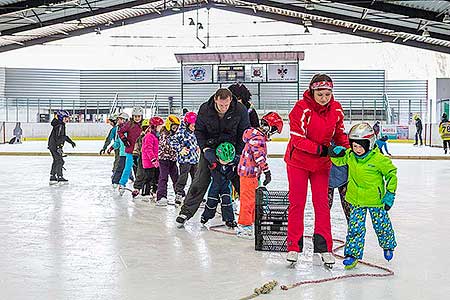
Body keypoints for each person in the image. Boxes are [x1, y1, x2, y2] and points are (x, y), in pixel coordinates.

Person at [284, 73, 349, 267]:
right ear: (312, 91)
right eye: (320, 94)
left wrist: (346, 150)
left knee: (321, 204)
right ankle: (293, 246)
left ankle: (324, 247)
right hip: (298, 162)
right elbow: (298, 139)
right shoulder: (301, 108)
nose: (324, 98)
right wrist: (323, 150)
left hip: (321, 165)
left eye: (327, 94)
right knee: (297, 203)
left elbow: (339, 134)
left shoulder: (336, 109)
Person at [176, 88, 250, 227]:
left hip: (231, 150)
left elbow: (244, 132)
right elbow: (199, 131)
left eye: (226, 105)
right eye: (221, 105)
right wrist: (205, 149)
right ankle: (186, 212)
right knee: (200, 179)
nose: (224, 108)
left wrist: (238, 154)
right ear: (215, 100)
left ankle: (254, 214)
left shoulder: (240, 109)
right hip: (210, 148)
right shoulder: (205, 109)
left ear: (230, 100)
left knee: (241, 180)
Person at [330, 122, 398, 269]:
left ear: (370, 143)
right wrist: (334, 152)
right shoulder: (350, 156)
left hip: (376, 200)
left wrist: (390, 194)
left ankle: (388, 245)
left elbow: (392, 174)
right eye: (354, 146)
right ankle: (352, 255)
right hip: (356, 200)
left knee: (382, 225)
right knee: (355, 228)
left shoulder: (379, 159)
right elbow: (340, 160)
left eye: (361, 146)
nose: (357, 149)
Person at [236, 111, 283, 239]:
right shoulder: (258, 138)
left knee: (251, 199)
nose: (272, 134)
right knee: (248, 200)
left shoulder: (253, 135)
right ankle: (244, 227)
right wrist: (267, 171)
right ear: (268, 127)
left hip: (250, 173)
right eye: (273, 131)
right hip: (249, 174)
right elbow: (259, 157)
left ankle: (249, 223)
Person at [200, 142, 238, 228]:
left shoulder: (234, 161)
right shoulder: (213, 159)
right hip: (215, 185)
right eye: (224, 161)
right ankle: (206, 216)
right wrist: (205, 149)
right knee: (211, 201)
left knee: (227, 201)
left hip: (226, 185)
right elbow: (207, 152)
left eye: (228, 161)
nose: (226, 163)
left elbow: (240, 159)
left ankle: (229, 219)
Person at [169, 111, 200, 206]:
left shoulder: (195, 133)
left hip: (194, 159)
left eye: (195, 125)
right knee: (183, 177)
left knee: (196, 178)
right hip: (185, 160)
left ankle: (195, 196)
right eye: (192, 125)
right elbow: (172, 141)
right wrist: (180, 149)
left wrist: (198, 146)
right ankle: (179, 193)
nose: (194, 127)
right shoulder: (181, 132)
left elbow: (197, 141)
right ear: (187, 124)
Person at [118, 107, 143, 195]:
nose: (137, 118)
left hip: (140, 151)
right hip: (130, 150)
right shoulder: (129, 124)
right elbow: (120, 132)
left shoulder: (143, 125)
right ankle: (122, 183)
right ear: (133, 116)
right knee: (128, 168)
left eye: (139, 116)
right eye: (135, 116)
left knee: (140, 169)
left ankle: (139, 185)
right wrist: (124, 140)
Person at [156, 115, 180, 206]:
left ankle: (179, 194)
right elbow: (167, 145)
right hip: (164, 159)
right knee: (163, 177)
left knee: (176, 178)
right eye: (173, 127)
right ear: (169, 125)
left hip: (173, 160)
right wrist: (178, 148)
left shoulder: (176, 134)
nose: (175, 129)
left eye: (176, 127)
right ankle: (161, 196)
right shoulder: (164, 133)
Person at [48, 110, 76, 184]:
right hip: (55, 146)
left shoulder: (60, 125)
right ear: (61, 117)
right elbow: (58, 137)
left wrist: (71, 142)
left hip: (53, 145)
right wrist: (59, 147)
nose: (67, 119)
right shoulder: (60, 125)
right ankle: (59, 176)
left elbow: (63, 136)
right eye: (66, 117)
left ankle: (53, 176)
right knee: (60, 161)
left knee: (56, 160)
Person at [141, 116, 164, 202]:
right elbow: (148, 149)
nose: (161, 128)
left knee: (157, 177)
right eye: (159, 126)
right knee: (148, 177)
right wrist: (153, 159)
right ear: (154, 126)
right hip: (148, 161)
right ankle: (145, 193)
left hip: (156, 161)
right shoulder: (149, 136)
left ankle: (154, 192)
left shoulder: (157, 136)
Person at [110, 112, 129, 188]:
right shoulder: (119, 129)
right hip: (122, 153)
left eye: (120, 119)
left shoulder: (129, 129)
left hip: (130, 153)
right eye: (118, 119)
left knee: (132, 168)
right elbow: (118, 141)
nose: (118, 120)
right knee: (120, 167)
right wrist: (112, 147)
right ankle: (115, 181)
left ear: (125, 120)